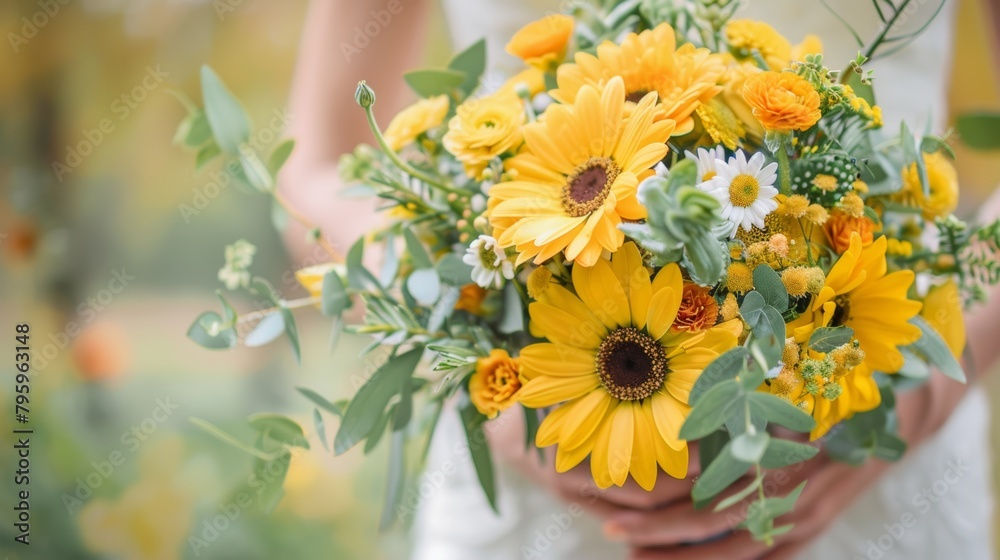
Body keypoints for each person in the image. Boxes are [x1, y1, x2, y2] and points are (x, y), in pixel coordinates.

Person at [279, 1, 1000, 558]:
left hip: (873, 447)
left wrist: (917, 400)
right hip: (534, 493)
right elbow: (314, 169)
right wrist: (479, 359)